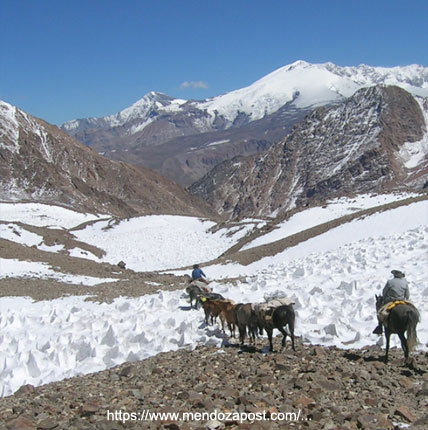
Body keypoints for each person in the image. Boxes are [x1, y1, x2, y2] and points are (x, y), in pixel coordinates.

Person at [373, 270, 410, 335]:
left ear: (394, 275)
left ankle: (380, 327)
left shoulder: (390, 282)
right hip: (402, 301)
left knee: (380, 313)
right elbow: (407, 295)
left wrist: (385, 299)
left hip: (390, 301)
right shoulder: (405, 283)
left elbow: (384, 292)